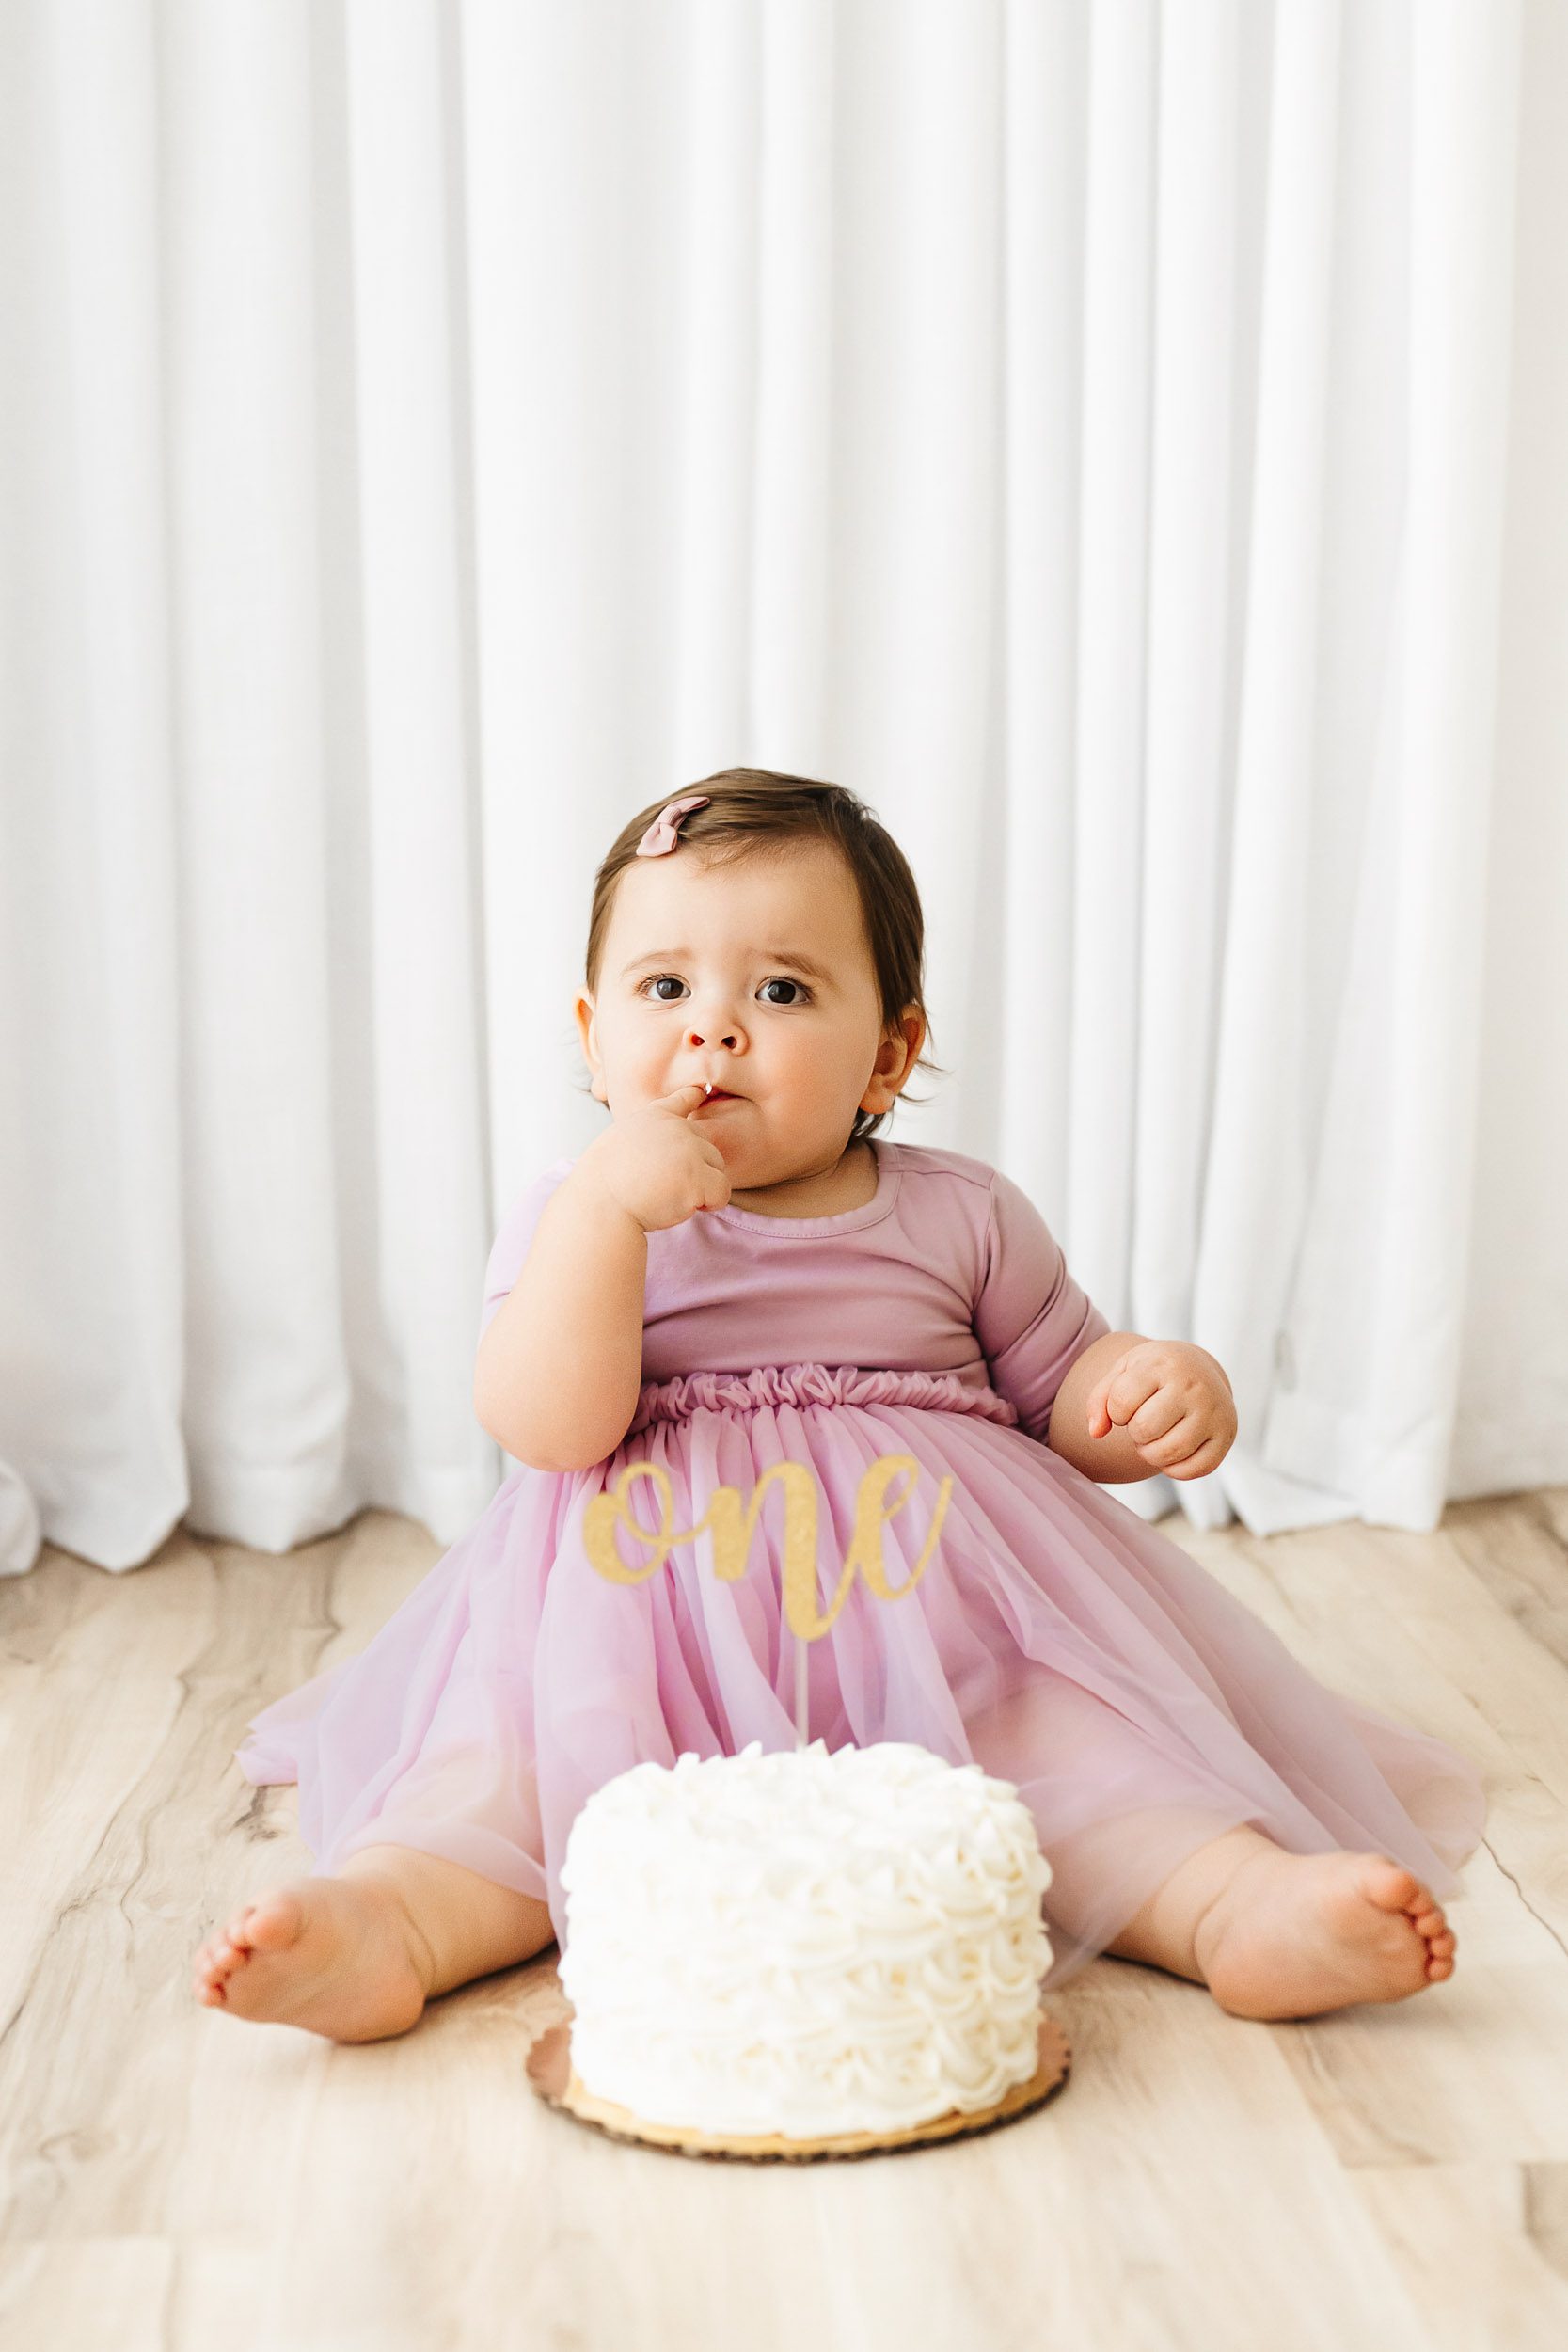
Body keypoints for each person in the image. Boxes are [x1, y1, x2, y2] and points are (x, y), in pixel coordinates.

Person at [193, 771, 1482, 2043]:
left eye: (782, 989)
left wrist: (1141, 1386)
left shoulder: (957, 1211)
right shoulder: (577, 1216)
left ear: (890, 1052)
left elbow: (1062, 1394)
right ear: (593, 1036)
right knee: (513, 1785)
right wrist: (605, 1214)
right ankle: (389, 1928)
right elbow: (549, 1428)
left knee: (1087, 1755)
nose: (714, 1029)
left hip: (950, 1627)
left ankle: (1235, 1907)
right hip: (635, 1637)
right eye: (664, 988)